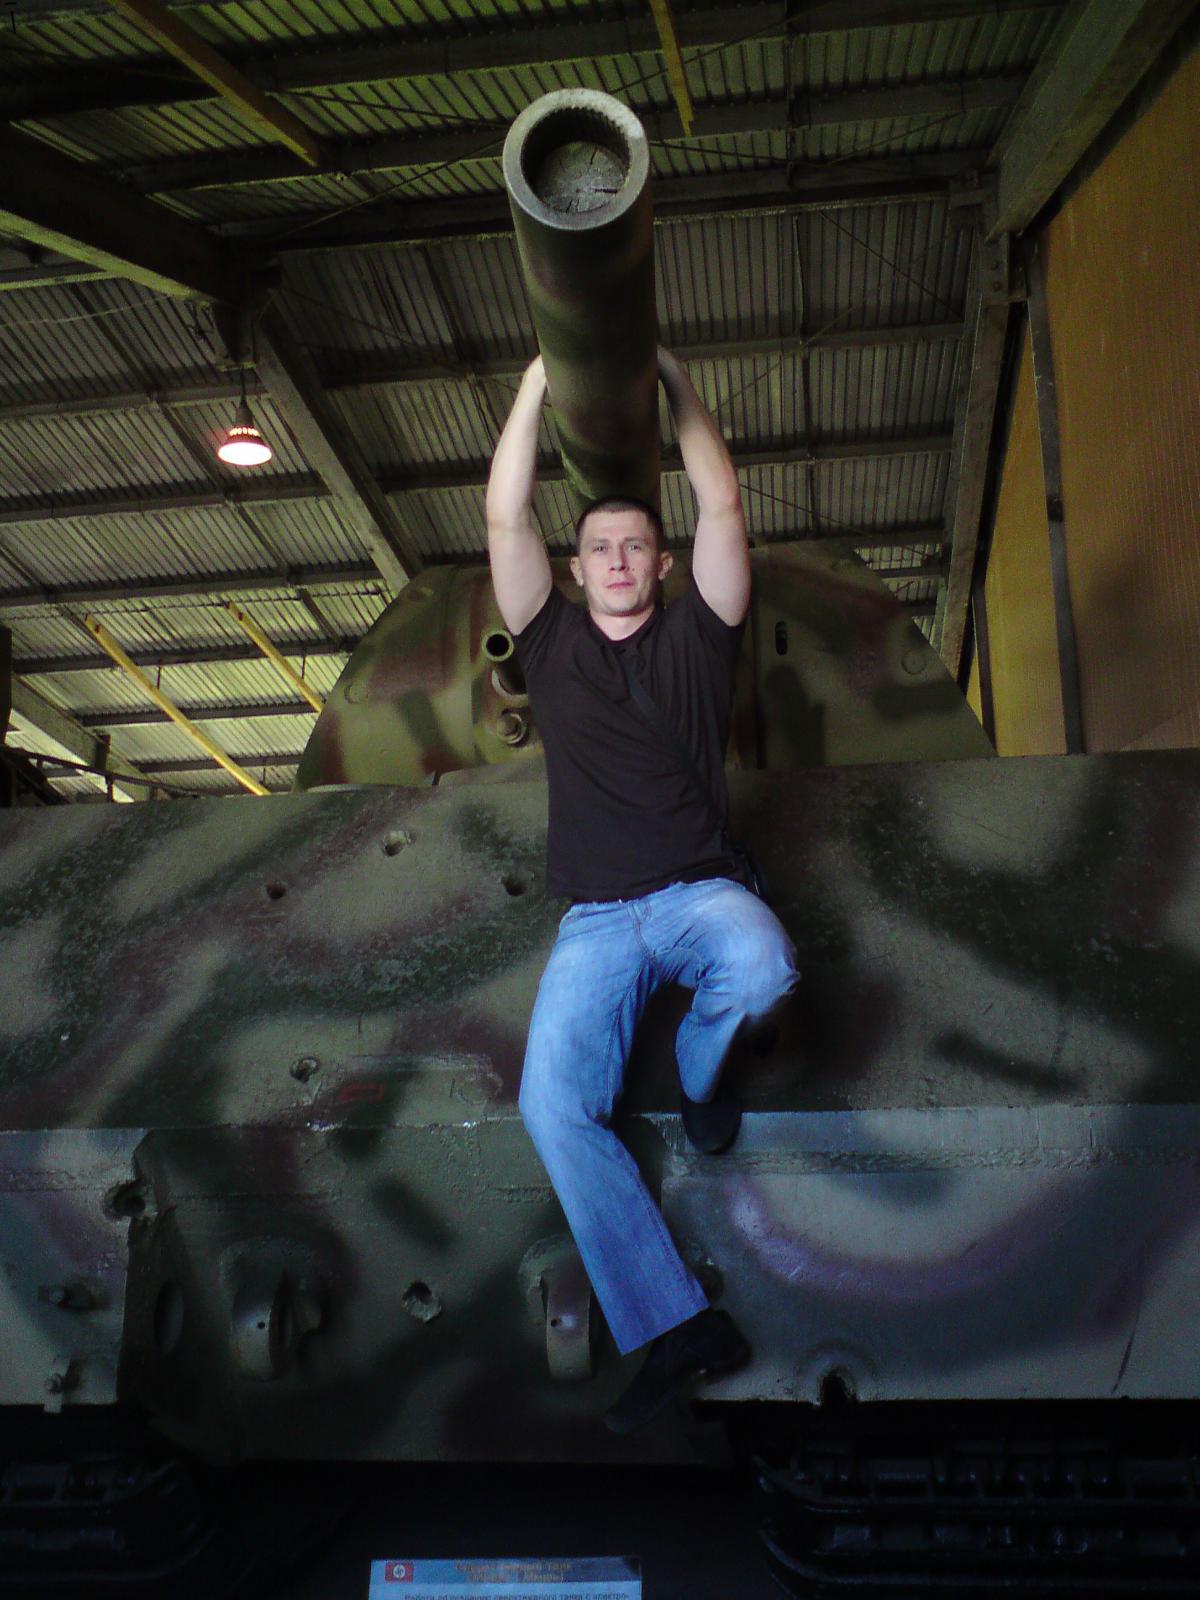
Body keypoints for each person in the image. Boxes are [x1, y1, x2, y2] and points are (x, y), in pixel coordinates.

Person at [486, 348, 798, 1432]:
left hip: (698, 892)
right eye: (599, 549)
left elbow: (723, 502)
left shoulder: (701, 634)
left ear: (661, 564)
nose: (616, 560)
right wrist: (538, 380)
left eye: (634, 546)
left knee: (765, 962)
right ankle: (675, 1327)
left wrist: (673, 382)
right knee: (550, 1106)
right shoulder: (550, 643)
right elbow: (503, 517)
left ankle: (705, 1079)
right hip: (597, 922)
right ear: (576, 571)